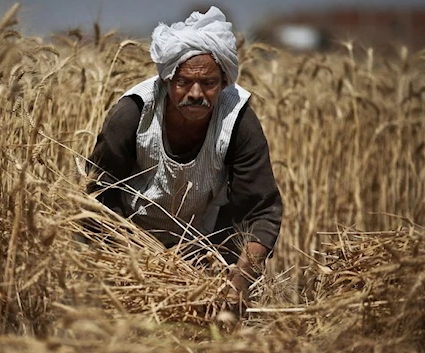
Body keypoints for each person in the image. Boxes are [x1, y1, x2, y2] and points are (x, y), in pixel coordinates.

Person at [86, 6, 282, 300]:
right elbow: (98, 195)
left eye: (208, 83)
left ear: (224, 83)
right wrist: (129, 263)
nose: (195, 93)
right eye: (183, 82)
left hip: (205, 254)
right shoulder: (133, 114)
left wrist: (238, 283)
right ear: (167, 81)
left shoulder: (238, 122)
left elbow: (261, 211)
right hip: (129, 254)